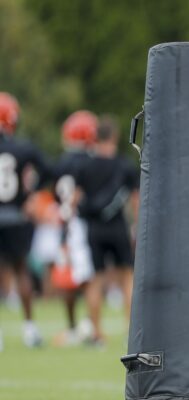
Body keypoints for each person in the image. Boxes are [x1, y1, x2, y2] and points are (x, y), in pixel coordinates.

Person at [73, 115, 139, 344]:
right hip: (118, 228)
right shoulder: (124, 165)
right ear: (115, 137)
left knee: (96, 280)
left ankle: (97, 333)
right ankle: (130, 330)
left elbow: (76, 198)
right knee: (127, 278)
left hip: (94, 228)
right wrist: (138, 226)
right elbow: (135, 199)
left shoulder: (85, 166)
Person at [0, 92, 48, 349]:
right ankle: (30, 329)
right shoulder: (22, 148)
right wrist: (29, 193)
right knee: (22, 271)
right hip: (16, 216)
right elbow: (49, 170)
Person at [51, 110, 99, 344]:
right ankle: (92, 327)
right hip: (83, 223)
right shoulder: (91, 162)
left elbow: (54, 195)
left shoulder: (61, 163)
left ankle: (72, 327)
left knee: (67, 279)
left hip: (65, 225)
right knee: (89, 278)